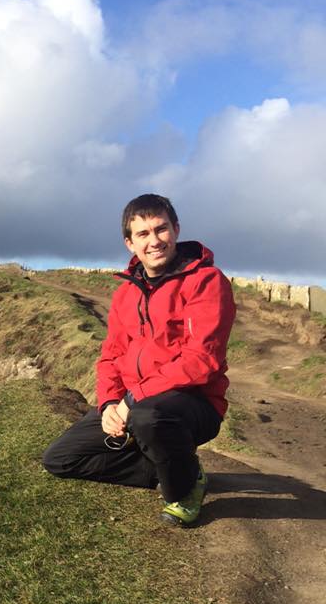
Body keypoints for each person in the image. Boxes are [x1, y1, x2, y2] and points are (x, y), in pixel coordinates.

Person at [42, 193, 236, 526]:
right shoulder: (125, 293)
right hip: (134, 403)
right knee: (60, 459)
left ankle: (184, 487)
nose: (154, 241)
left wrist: (133, 400)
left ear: (175, 229)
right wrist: (108, 405)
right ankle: (175, 467)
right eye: (143, 234)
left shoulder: (206, 281)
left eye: (161, 229)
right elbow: (112, 355)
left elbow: (202, 358)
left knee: (147, 417)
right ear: (130, 243)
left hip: (193, 404)